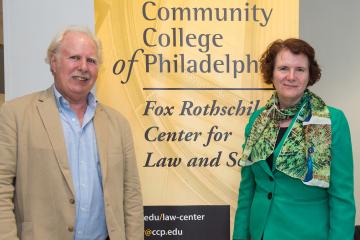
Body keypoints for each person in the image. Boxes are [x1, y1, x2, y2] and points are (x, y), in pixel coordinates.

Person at [0, 26, 144, 239]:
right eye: (75, 58)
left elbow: (131, 196)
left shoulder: (118, 124)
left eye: (91, 60)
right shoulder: (15, 115)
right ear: (54, 62)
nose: (83, 67)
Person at [233, 38, 355, 240]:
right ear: (271, 73)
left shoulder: (331, 121)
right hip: (260, 233)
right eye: (283, 68)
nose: (291, 76)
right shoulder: (258, 121)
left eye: (300, 69)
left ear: (310, 75)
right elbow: (248, 190)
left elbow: (342, 198)